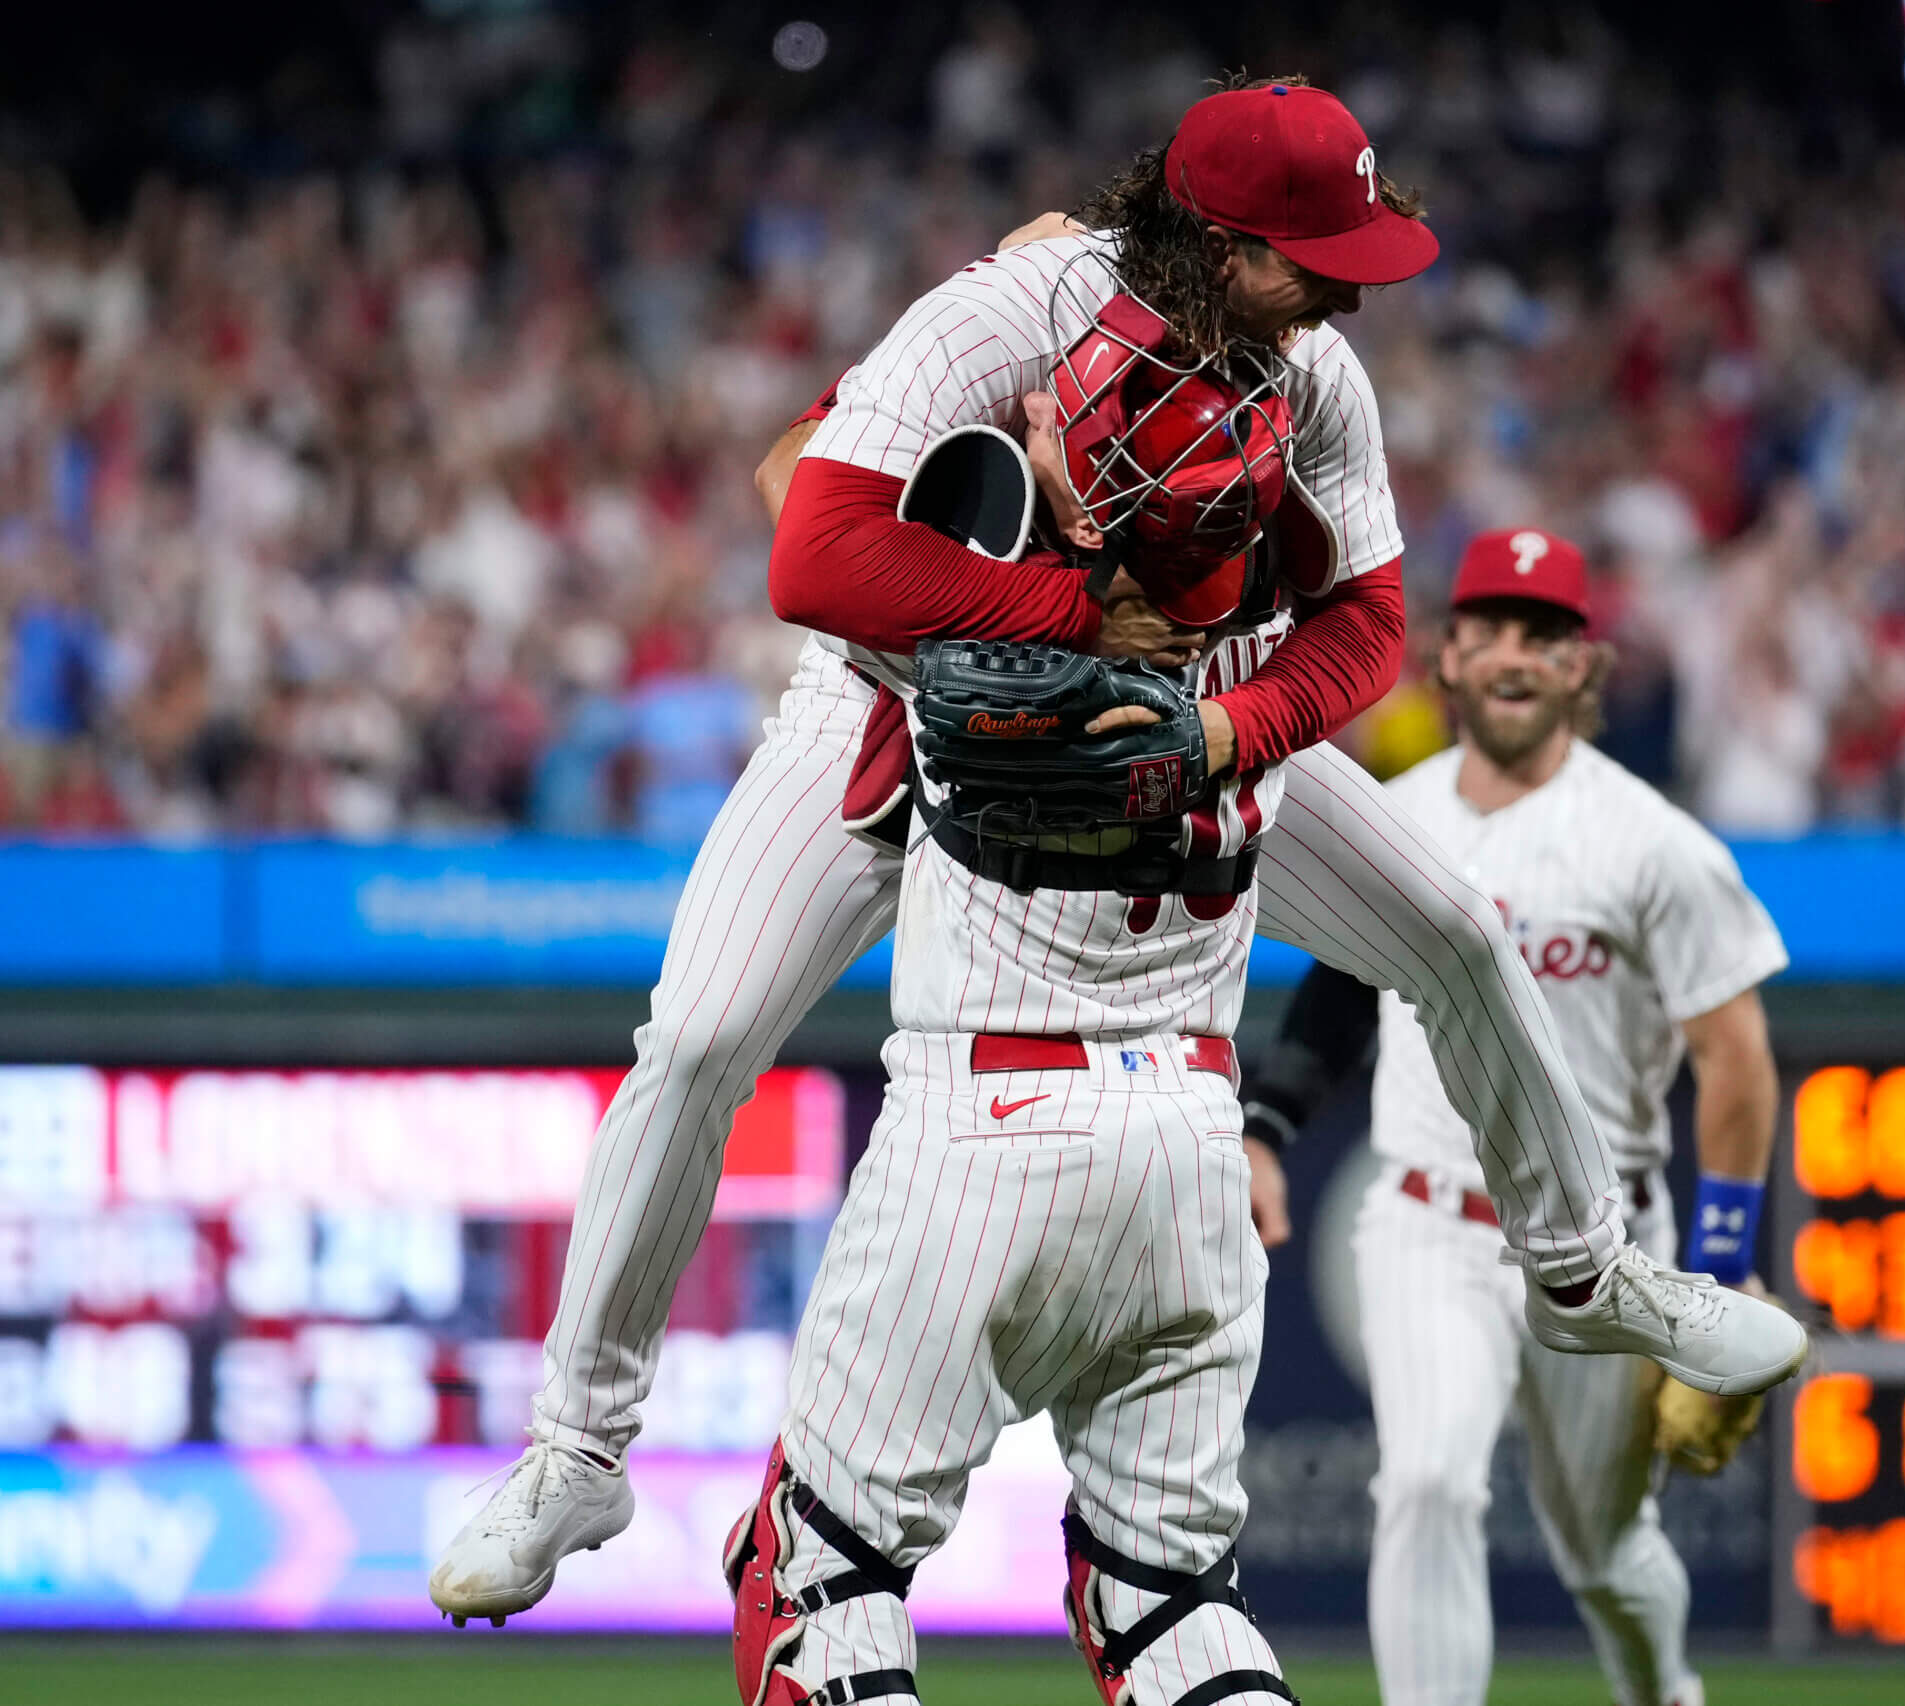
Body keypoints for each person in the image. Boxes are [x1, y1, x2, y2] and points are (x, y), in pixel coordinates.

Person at [429, 79, 1806, 1656]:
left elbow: (1363, 626)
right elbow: (807, 546)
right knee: (694, 1040)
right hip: (888, 702)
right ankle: (577, 1452)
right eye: (1314, 252)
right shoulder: (1013, 308)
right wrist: (1085, 625)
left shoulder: (1316, 372)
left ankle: (1585, 1268)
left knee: (1454, 929)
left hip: (1180, 719)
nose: (1350, 283)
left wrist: (1232, 730)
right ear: (1217, 243)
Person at [1239, 528, 1791, 1706]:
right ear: (1445, 655)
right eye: (1486, 627)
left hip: (1604, 1240)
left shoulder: (1656, 844)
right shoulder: (1395, 813)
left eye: (1539, 634)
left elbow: (1734, 1057)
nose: (1509, 655)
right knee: (1427, 1482)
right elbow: (1341, 988)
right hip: (1428, 1221)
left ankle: (1663, 1691)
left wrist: (1725, 1262)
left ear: (1583, 666)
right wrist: (1267, 1126)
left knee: (1604, 1547)